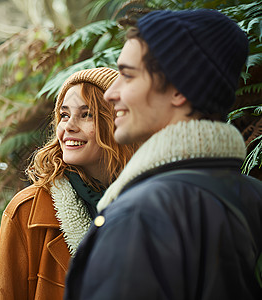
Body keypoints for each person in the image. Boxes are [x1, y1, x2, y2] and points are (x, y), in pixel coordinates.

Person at [64, 9, 262, 300]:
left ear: (179, 89)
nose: (110, 93)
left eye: (128, 76)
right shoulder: (252, 195)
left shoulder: (143, 214)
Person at [0, 67, 138, 299]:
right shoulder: (27, 211)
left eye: (86, 114)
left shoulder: (151, 204)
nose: (68, 126)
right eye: (64, 115)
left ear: (120, 122)